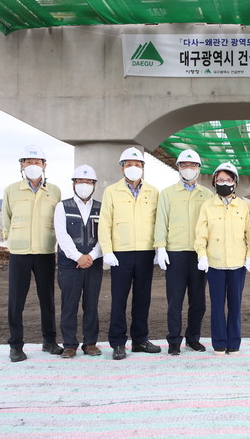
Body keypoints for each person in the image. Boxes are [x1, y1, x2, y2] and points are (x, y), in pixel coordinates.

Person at [2, 145, 63, 362]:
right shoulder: (11, 190)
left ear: (45, 165)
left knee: (47, 298)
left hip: (45, 251)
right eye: (28, 162)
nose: (33, 166)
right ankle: (16, 345)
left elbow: (58, 220)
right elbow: (6, 219)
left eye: (37, 162)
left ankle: (49, 341)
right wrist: (12, 241)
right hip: (20, 252)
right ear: (21, 165)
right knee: (16, 301)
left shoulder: (54, 191)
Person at [99, 147, 161, 360]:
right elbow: (105, 222)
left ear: (143, 167)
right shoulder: (111, 191)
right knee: (119, 299)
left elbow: (158, 222)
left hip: (145, 252)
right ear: (122, 168)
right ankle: (118, 343)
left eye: (137, 164)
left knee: (142, 299)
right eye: (128, 164)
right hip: (121, 253)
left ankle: (140, 340)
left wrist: (158, 248)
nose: (133, 168)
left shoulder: (153, 192)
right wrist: (107, 250)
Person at [154, 149, 213, 355]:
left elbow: (211, 225)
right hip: (175, 253)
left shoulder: (207, 194)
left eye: (192, 165)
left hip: (199, 254)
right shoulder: (167, 193)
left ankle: (193, 338)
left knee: (198, 301)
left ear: (199, 169)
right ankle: (173, 340)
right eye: (184, 165)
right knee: (175, 301)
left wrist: (208, 252)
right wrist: (161, 248)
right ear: (178, 168)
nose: (188, 169)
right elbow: (161, 221)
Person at [194, 162, 250, 355]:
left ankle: (234, 343)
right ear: (214, 182)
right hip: (215, 264)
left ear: (235, 182)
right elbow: (201, 234)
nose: (224, 183)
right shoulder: (207, 206)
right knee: (217, 305)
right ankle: (219, 342)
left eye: (228, 180)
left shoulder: (243, 206)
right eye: (220, 180)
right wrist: (202, 255)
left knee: (235, 305)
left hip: (238, 264)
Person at [54, 165, 103, 358]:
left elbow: (105, 235)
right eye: (81, 181)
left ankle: (90, 343)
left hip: (93, 264)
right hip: (69, 265)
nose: (85, 185)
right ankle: (69, 345)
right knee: (69, 305)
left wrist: (91, 256)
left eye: (89, 182)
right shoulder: (62, 207)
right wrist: (78, 257)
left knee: (91, 304)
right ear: (74, 184)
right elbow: (62, 235)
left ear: (94, 185)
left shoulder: (101, 208)